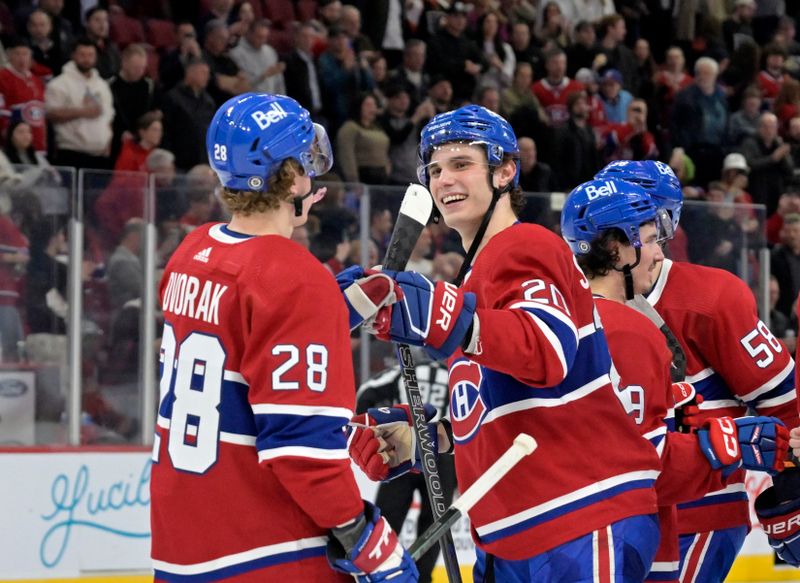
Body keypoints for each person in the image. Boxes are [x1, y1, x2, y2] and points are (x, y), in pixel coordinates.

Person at [341, 105, 662, 581]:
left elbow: (545, 352)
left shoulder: (525, 244)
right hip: (518, 535)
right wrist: (429, 437)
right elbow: (500, 407)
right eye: (434, 169)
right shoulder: (475, 280)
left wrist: (436, 315)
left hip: (578, 516)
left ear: (505, 170)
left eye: (461, 163)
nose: (443, 179)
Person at [149, 93, 417, 582]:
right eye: (308, 159)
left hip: (181, 545)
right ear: (291, 175)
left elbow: (241, 352)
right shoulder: (294, 278)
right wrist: (365, 540)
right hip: (265, 552)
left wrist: (332, 313)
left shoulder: (192, 251)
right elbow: (301, 450)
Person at [560, 177, 788, 583]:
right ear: (617, 244)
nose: (660, 248)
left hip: (697, 510)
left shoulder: (711, 296)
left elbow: (785, 401)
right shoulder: (596, 321)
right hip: (626, 518)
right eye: (651, 236)